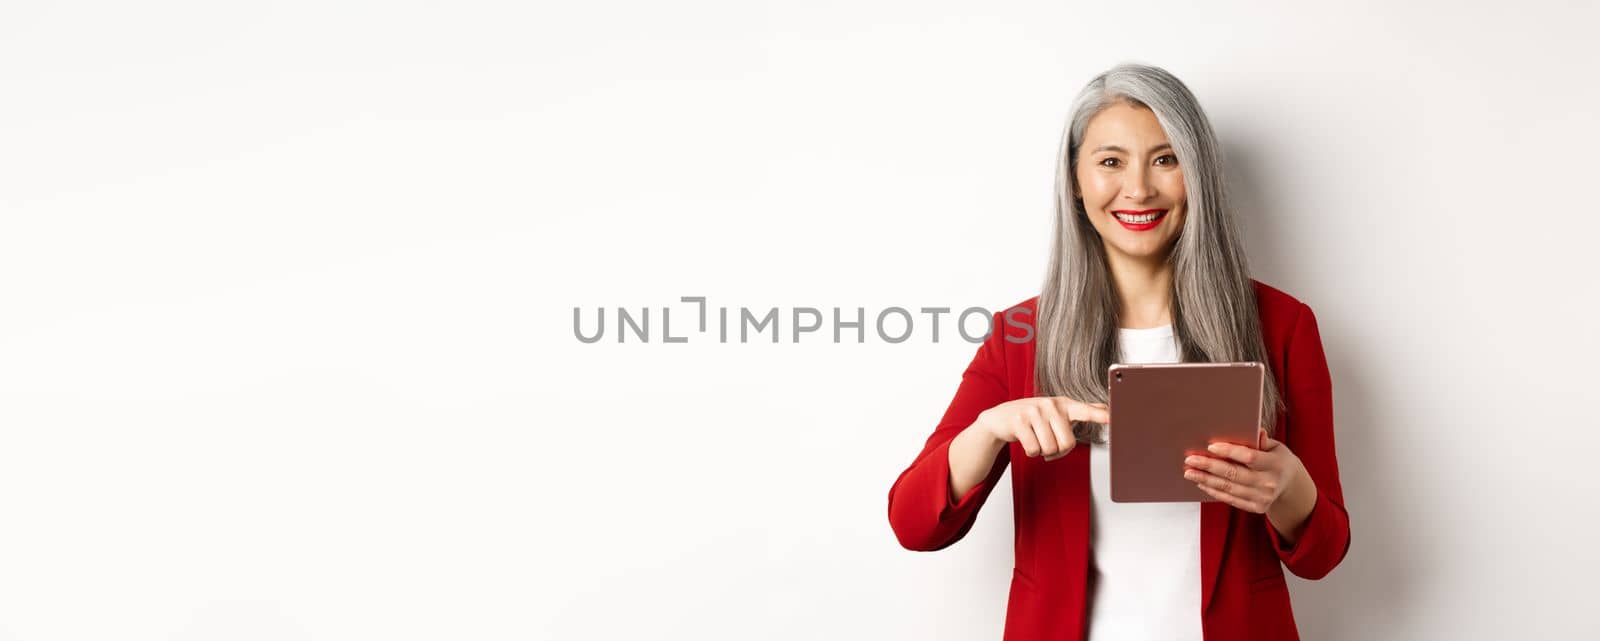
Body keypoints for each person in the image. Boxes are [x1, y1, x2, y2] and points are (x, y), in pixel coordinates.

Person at [885, 63, 1350, 641]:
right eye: (1110, 162)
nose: (1139, 189)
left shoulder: (1283, 325)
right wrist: (987, 431)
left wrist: (1287, 488)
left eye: (1165, 159)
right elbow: (913, 525)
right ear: (1076, 182)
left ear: (1197, 174)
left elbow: (1323, 555)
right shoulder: (1019, 334)